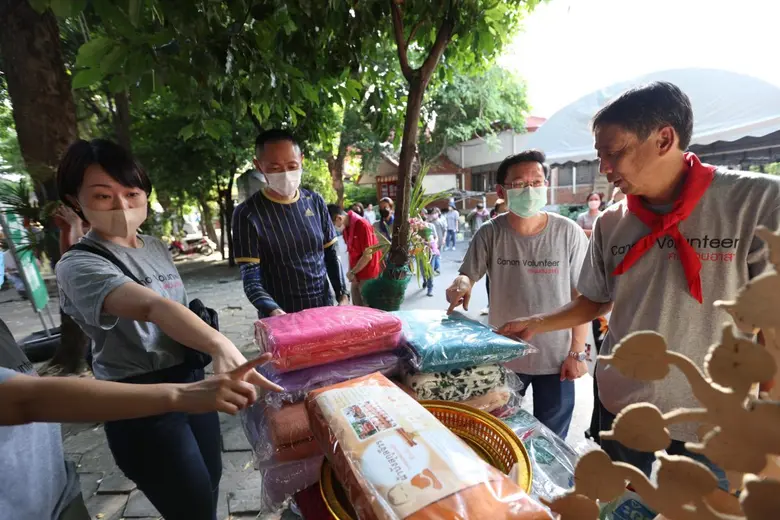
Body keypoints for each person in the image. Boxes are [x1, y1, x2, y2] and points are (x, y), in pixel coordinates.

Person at [498, 82, 780, 490]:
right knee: (624, 505)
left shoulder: (756, 203)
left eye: (615, 152)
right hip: (623, 406)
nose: (605, 168)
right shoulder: (612, 223)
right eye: (600, 155)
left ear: (665, 138)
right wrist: (537, 322)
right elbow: (595, 300)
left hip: (713, 418)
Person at [54, 138, 282, 520]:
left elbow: (175, 310)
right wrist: (219, 344)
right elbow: (152, 306)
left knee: (209, 484)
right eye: (103, 196)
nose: (123, 206)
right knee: (188, 503)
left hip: (193, 382)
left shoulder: (155, 246)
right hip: (140, 400)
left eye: (131, 193)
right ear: (76, 201)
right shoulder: (77, 265)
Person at [0, 316, 270, 520]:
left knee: (207, 489)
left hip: (56, 493)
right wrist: (183, 395)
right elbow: (27, 400)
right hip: (20, 506)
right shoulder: (79, 263)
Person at [446, 150, 590, 438]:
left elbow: (582, 296)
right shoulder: (490, 233)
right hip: (504, 355)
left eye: (537, 182)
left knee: (552, 439)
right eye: (520, 183)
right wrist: (461, 284)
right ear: (502, 191)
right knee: (502, 433)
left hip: (557, 359)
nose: (530, 189)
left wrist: (577, 352)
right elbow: (468, 275)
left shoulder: (568, 232)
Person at [232, 129, 349, 317]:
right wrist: (273, 311)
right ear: (258, 166)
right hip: (281, 316)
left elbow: (331, 255)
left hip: (324, 310)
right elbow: (251, 278)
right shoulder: (247, 214)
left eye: (292, 165)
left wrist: (343, 295)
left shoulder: (315, 202)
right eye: (275, 168)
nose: (285, 174)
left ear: (302, 159)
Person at [328, 205, 381, 306]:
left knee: (369, 310)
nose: (334, 227)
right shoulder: (346, 229)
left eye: (333, 224)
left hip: (368, 274)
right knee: (357, 309)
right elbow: (351, 253)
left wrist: (353, 271)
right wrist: (351, 272)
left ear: (339, 218)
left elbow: (368, 255)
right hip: (356, 274)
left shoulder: (362, 224)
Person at [482, 199, 508, 316]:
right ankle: (490, 304)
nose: (505, 215)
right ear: (495, 213)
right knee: (491, 283)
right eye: (502, 212)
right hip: (494, 264)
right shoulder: (490, 229)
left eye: (508, 211)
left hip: (511, 266)